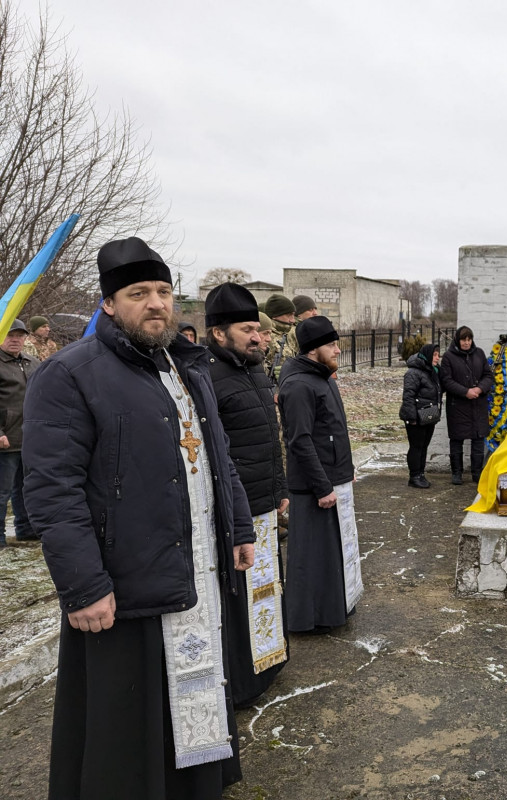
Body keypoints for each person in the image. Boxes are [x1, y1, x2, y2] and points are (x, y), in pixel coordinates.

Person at [22, 236, 254, 799]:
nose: (156, 303)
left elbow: (218, 457)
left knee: (194, 695)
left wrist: (239, 528)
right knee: (128, 720)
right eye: (138, 293)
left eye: (164, 291)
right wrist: (82, 586)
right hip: (122, 581)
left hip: (195, 567)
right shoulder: (69, 374)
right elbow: (53, 490)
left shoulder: (186, 369)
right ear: (108, 303)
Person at [205, 283, 290, 707]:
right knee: (237, 601)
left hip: (264, 504)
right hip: (234, 511)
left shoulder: (255, 370)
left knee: (266, 590)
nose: (258, 337)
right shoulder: (204, 376)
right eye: (247, 329)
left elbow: (267, 439)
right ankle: (238, 682)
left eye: (259, 329)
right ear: (219, 333)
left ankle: (268, 666)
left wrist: (279, 491)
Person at [278, 315, 363, 633]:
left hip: (332, 479)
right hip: (315, 488)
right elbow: (300, 441)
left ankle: (331, 611)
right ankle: (307, 619)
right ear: (314, 349)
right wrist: (323, 486)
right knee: (311, 556)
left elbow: (332, 432)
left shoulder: (322, 377)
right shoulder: (300, 385)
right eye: (331, 344)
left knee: (333, 553)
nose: (338, 350)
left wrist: (345, 470)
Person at [0, 319, 39, 548]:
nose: (15, 339)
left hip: (30, 438)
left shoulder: (32, 362)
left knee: (27, 489)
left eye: (19, 335)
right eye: (9, 334)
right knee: (2, 493)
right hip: (5, 439)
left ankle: (26, 529)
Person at [440, 326, 491, 485]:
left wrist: (479, 388)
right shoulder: (448, 357)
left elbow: (488, 375)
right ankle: (457, 473)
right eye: (463, 339)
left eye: (469, 339)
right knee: (456, 439)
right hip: (458, 405)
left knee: (478, 438)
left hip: (478, 403)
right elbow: (447, 380)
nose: (467, 343)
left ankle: (477, 472)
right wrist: (465, 391)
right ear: (458, 340)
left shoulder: (479, 353)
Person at [401, 343, 442, 489]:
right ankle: (414, 476)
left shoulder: (433, 371)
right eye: (435, 355)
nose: (437, 358)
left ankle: (421, 474)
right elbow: (408, 396)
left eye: (438, 355)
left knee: (424, 446)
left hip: (428, 415)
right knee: (416, 447)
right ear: (428, 355)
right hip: (416, 417)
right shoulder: (413, 372)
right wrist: (411, 418)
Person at [262, 293, 298, 386]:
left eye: (293, 315)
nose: (292, 320)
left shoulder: (288, 334)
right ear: (275, 315)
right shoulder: (265, 337)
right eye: (289, 315)